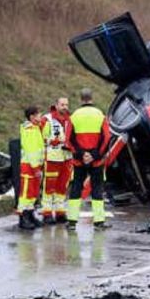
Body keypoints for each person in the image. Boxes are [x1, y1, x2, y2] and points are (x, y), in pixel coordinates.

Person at [65, 88, 111, 230]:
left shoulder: (74, 116)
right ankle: (99, 222)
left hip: (79, 161)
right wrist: (94, 154)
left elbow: (68, 140)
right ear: (92, 98)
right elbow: (107, 137)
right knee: (97, 188)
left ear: (81, 99)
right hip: (96, 161)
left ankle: (72, 221)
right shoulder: (100, 115)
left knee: (76, 188)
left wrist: (81, 154)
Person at [40, 97, 72, 224]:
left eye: (66, 104)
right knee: (49, 186)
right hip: (53, 156)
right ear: (56, 105)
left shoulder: (70, 120)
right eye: (62, 104)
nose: (65, 107)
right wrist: (51, 141)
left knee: (62, 186)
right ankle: (47, 213)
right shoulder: (47, 119)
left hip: (67, 157)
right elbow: (39, 137)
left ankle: (60, 211)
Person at [18, 106, 45, 230]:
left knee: (33, 193)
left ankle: (30, 215)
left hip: (35, 166)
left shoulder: (35, 128)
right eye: (39, 115)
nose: (41, 117)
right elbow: (31, 150)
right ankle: (23, 218)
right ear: (32, 117)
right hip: (29, 166)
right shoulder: (29, 130)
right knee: (26, 194)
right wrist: (35, 168)